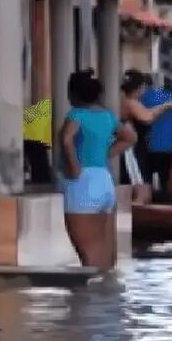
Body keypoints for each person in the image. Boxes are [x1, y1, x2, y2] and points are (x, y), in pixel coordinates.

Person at [58, 70, 136, 270]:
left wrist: (74, 166)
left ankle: (92, 290)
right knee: (106, 256)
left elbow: (67, 139)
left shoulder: (76, 115)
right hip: (105, 181)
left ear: (72, 94)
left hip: (83, 183)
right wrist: (107, 153)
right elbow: (130, 137)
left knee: (89, 256)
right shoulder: (108, 116)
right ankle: (108, 290)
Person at [120, 69, 172, 187]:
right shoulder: (130, 103)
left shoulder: (134, 102)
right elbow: (148, 117)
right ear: (140, 87)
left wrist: (169, 104)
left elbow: (148, 112)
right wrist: (169, 104)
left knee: (142, 183)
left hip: (139, 149)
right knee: (138, 185)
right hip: (132, 151)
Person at [140, 78, 172, 197]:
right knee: (166, 183)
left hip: (149, 146)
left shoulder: (146, 97)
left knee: (146, 181)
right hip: (169, 147)